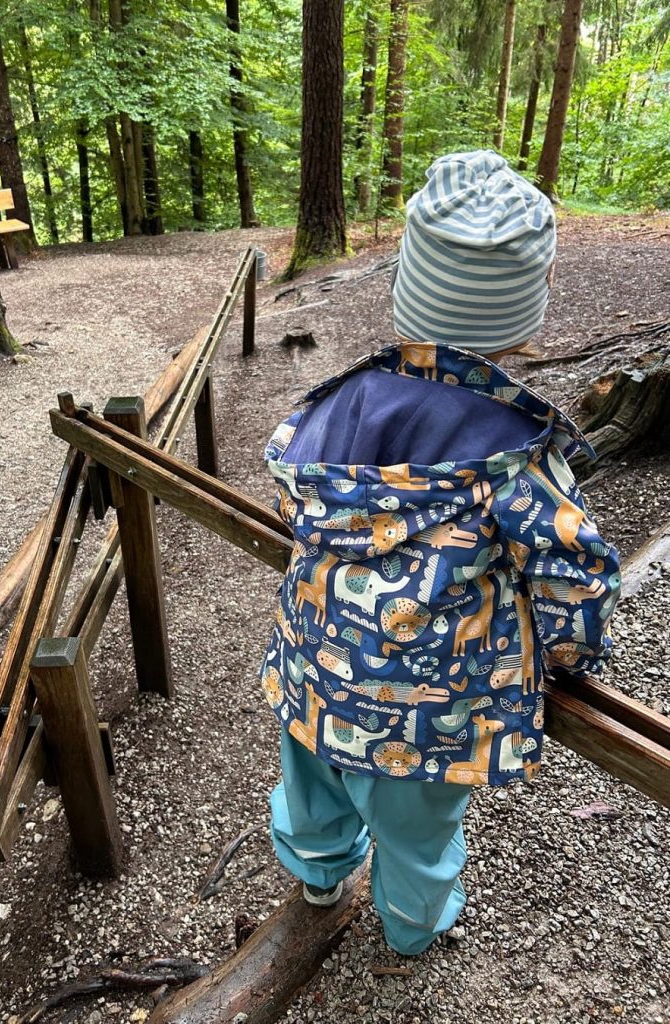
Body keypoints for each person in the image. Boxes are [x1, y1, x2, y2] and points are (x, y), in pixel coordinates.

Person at [259, 150, 620, 956]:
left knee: (310, 789)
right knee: (417, 835)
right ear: (524, 316)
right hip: (428, 714)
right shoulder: (515, 457)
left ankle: (318, 878)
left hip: (314, 665)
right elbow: (574, 572)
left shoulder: (335, 406)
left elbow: (296, 504)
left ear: (407, 295)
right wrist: (567, 656)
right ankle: (414, 928)